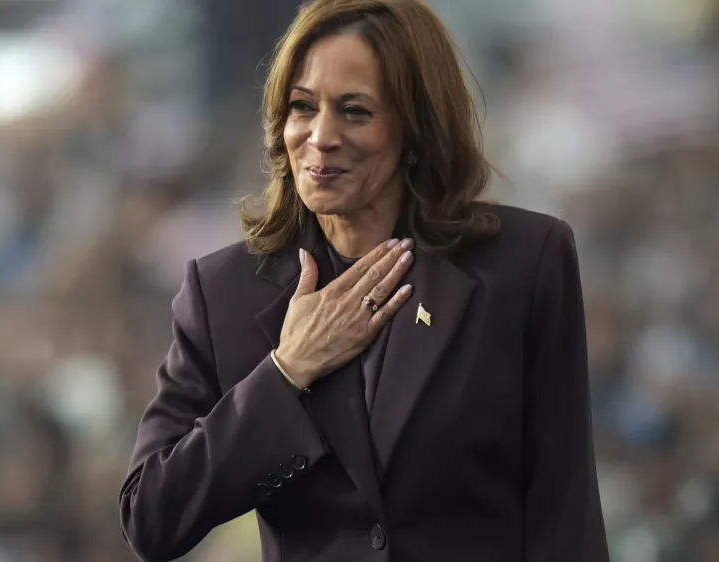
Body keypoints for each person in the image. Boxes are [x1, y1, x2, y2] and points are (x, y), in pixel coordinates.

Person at [119, 1, 610, 561]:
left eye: (354, 111)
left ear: (415, 125)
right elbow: (150, 516)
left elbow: (564, 510)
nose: (321, 136)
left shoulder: (525, 264)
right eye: (302, 107)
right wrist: (286, 373)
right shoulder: (222, 292)